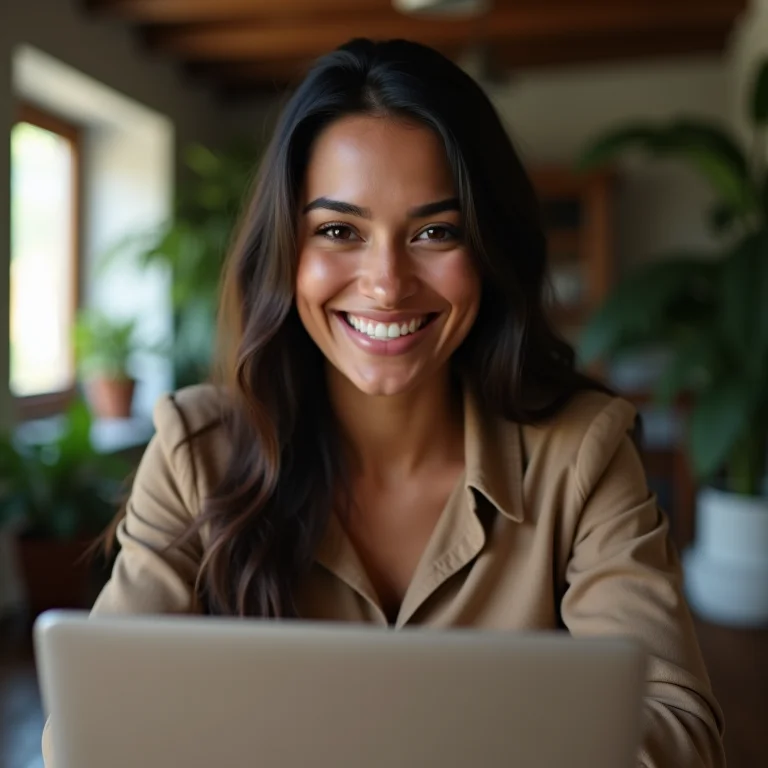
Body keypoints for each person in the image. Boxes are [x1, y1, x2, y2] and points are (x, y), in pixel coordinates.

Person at [43, 38, 724, 768]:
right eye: (340, 231)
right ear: (286, 253)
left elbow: (680, 734)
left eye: (435, 232)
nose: (387, 282)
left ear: (488, 250)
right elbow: (95, 737)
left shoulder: (581, 454)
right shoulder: (195, 453)